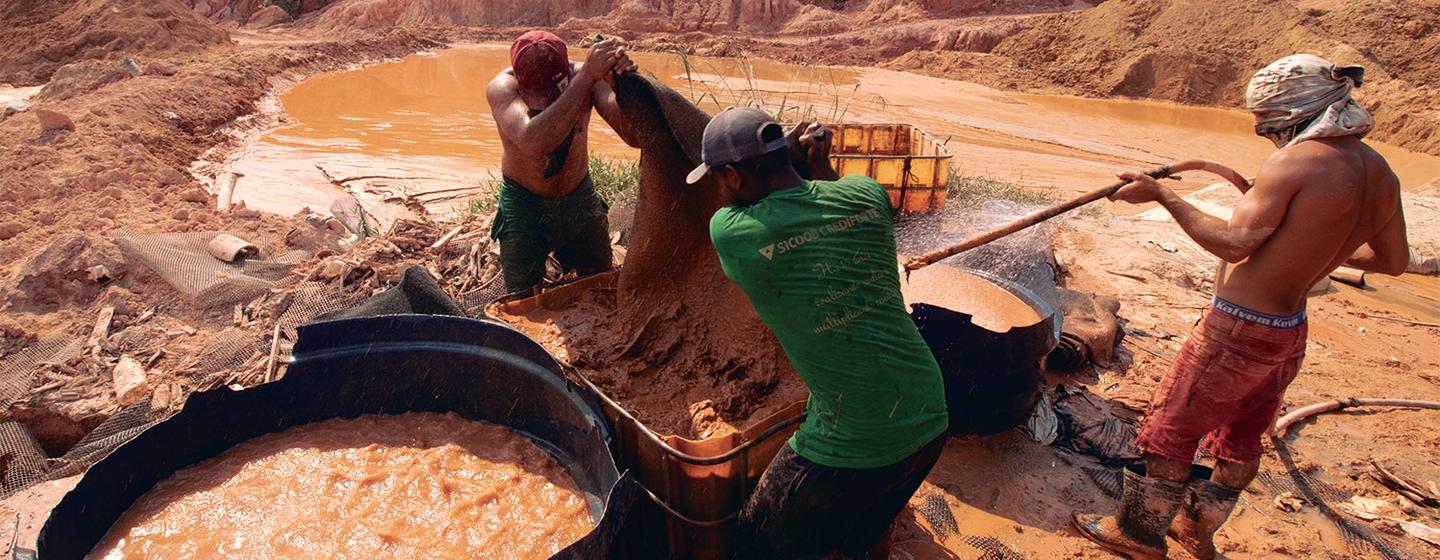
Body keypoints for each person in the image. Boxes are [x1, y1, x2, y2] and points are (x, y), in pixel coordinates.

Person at [1072, 54, 1410, 560]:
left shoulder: (1297, 160)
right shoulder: (1380, 170)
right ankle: (1197, 529)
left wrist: (1162, 194)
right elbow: (1393, 260)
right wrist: (1318, 246)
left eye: (1267, 124)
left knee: (1169, 430)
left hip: (1237, 330)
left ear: (1294, 114)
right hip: (1289, 329)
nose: (1264, 133)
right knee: (1244, 434)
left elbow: (1234, 243)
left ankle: (1138, 535)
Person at [689, 108, 949, 559]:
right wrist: (812, 163)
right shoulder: (867, 196)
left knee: (754, 543)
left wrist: (786, 158)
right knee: (860, 532)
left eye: (717, 178)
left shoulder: (734, 232)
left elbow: (738, 214)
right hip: (929, 413)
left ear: (732, 176)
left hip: (852, 436)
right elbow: (830, 191)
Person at [486, 31, 639, 293]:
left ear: (565, 75)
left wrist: (625, 85)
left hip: (578, 196)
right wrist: (586, 78)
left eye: (550, 92)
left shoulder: (586, 76)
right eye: (535, 94)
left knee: (601, 284)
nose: (542, 102)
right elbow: (533, 141)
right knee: (520, 297)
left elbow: (633, 136)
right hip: (524, 204)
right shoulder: (501, 88)